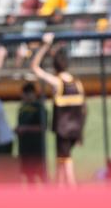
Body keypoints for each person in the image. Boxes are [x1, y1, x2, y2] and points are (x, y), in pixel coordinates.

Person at [30, 34, 86, 188]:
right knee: (61, 162)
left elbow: (34, 67)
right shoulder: (78, 83)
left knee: (66, 163)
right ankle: (59, 189)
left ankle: (73, 193)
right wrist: (81, 133)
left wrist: (45, 46)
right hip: (75, 130)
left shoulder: (57, 82)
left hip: (63, 130)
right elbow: (84, 110)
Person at [16, 82, 47, 184]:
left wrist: (25, 129)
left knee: (41, 174)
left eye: (26, 94)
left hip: (36, 148)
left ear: (32, 94)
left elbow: (42, 127)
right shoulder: (22, 108)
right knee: (28, 175)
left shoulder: (39, 108)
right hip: (24, 148)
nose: (23, 97)